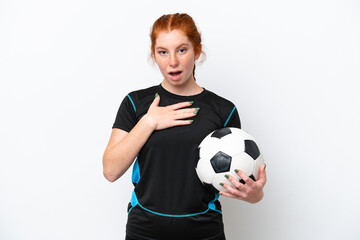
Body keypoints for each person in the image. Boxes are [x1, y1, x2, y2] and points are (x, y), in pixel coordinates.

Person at [102, 13, 267, 240]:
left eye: (181, 50)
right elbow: (110, 171)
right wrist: (149, 122)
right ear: (154, 55)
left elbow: (237, 181)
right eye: (163, 52)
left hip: (204, 231)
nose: (172, 62)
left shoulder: (223, 109)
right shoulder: (135, 102)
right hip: (144, 230)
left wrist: (255, 195)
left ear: (197, 51)